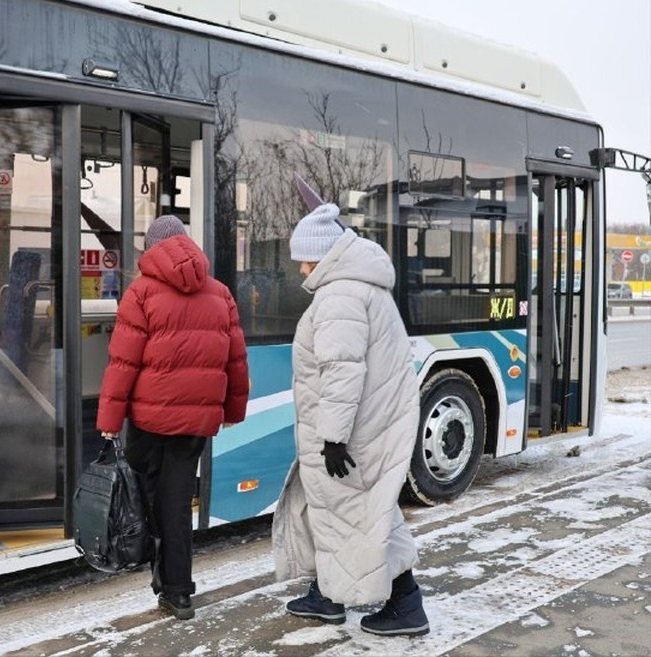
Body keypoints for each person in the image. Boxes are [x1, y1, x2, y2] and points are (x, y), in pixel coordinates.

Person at [272, 200, 430, 637]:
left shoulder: (340, 294)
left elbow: (342, 369)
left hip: (353, 432)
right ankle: (328, 594)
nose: (302, 270)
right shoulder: (361, 286)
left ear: (323, 255)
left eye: (304, 259)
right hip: (370, 424)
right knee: (343, 510)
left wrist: (333, 437)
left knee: (363, 515)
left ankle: (406, 605)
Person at [97, 214, 249, 621]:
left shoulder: (141, 292)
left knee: (143, 499)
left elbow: (123, 363)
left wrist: (110, 420)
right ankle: (179, 593)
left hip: (148, 422)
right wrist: (233, 411)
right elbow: (236, 359)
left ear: (152, 248)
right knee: (177, 504)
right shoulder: (219, 293)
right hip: (195, 424)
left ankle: (153, 569)